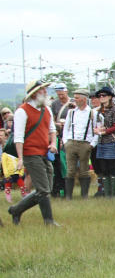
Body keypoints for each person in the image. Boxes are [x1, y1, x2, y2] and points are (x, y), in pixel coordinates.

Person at [7, 80, 59, 226]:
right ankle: (49, 221)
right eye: (43, 90)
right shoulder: (22, 111)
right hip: (30, 154)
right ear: (35, 93)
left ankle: (16, 210)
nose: (46, 92)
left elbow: (52, 130)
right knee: (43, 190)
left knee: (46, 189)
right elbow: (18, 137)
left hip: (44, 152)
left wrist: (53, 143)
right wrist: (20, 158)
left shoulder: (46, 110)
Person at [62, 88, 96, 200]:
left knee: (84, 170)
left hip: (85, 143)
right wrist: (65, 142)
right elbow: (66, 128)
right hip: (71, 142)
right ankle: (68, 196)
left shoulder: (92, 113)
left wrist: (92, 144)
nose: (74, 100)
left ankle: (84, 195)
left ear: (84, 99)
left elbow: (97, 130)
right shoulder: (71, 112)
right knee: (70, 170)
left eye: (77, 98)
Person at [92, 87, 115, 198]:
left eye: (104, 95)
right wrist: (96, 130)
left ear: (110, 97)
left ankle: (114, 194)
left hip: (111, 141)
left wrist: (104, 131)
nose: (101, 97)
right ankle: (107, 193)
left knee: (112, 167)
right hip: (100, 142)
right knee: (103, 168)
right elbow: (96, 124)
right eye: (100, 96)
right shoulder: (98, 111)